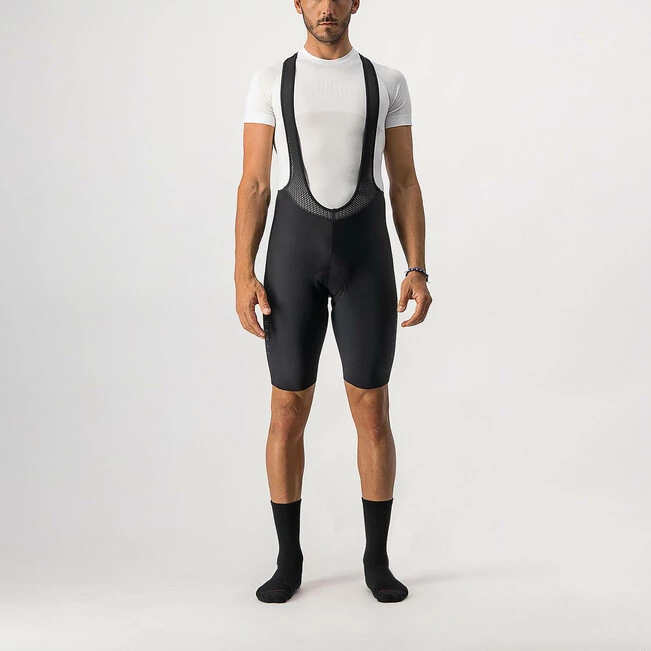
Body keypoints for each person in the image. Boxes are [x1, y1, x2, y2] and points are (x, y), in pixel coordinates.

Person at [234, 0, 431, 604]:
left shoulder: (386, 81)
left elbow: (404, 181)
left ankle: (376, 559)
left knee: (372, 410)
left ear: (355, 2)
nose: (326, 7)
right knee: (286, 409)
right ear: (298, 3)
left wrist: (416, 267)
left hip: (365, 262)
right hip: (291, 261)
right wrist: (242, 274)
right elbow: (255, 182)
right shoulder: (271, 80)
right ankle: (288, 559)